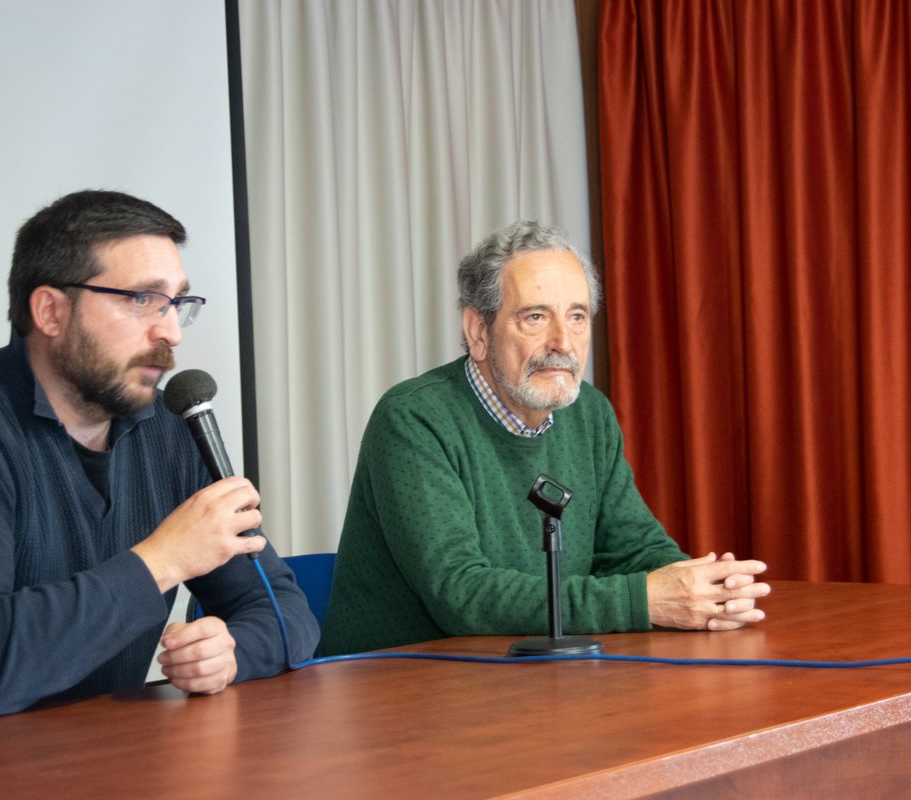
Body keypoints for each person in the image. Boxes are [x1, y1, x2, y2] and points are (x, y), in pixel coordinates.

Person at [0, 190, 319, 734]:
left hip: (93, 757)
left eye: (177, 302)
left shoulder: (167, 431)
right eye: (142, 300)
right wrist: (164, 559)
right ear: (50, 311)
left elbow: (285, 612)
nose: (171, 331)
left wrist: (233, 652)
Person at [319, 220, 769, 655]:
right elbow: (462, 595)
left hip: (534, 679)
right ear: (478, 332)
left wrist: (706, 591)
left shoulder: (588, 412)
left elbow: (634, 549)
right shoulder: (413, 419)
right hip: (401, 691)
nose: (563, 343)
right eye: (536, 317)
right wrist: (645, 600)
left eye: (577, 317)